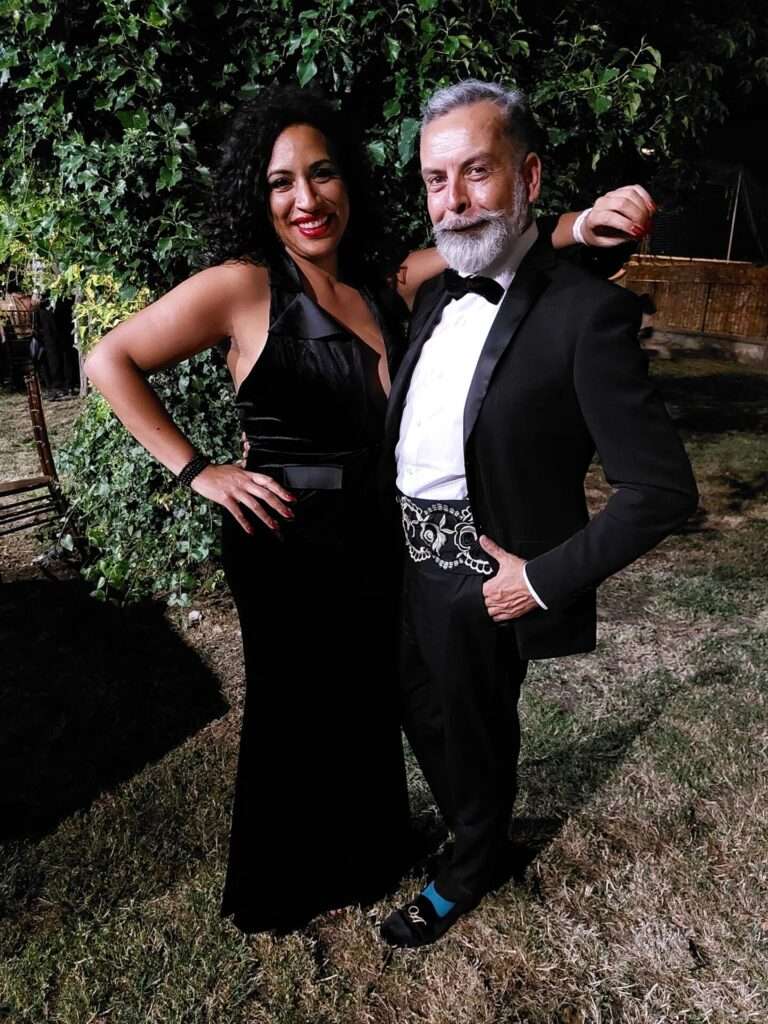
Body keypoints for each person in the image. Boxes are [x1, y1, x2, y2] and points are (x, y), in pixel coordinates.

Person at [84, 84, 655, 934]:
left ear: (348, 180)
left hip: (375, 533)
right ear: (257, 196)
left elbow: (490, 238)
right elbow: (109, 359)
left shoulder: (383, 284)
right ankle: (289, 879)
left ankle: (374, 849)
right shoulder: (242, 286)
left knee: (370, 702)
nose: (305, 199)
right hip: (285, 537)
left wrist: (587, 221)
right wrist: (199, 470)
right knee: (297, 710)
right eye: (280, 182)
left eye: (321, 174)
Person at [379, 80, 698, 947]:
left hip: (484, 573)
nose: (454, 199)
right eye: (436, 179)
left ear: (528, 177)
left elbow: (663, 491)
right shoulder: (435, 292)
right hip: (406, 557)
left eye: (477, 172)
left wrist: (545, 579)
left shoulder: (588, 314)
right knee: (421, 709)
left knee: (475, 730)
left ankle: (467, 869)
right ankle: (477, 831)